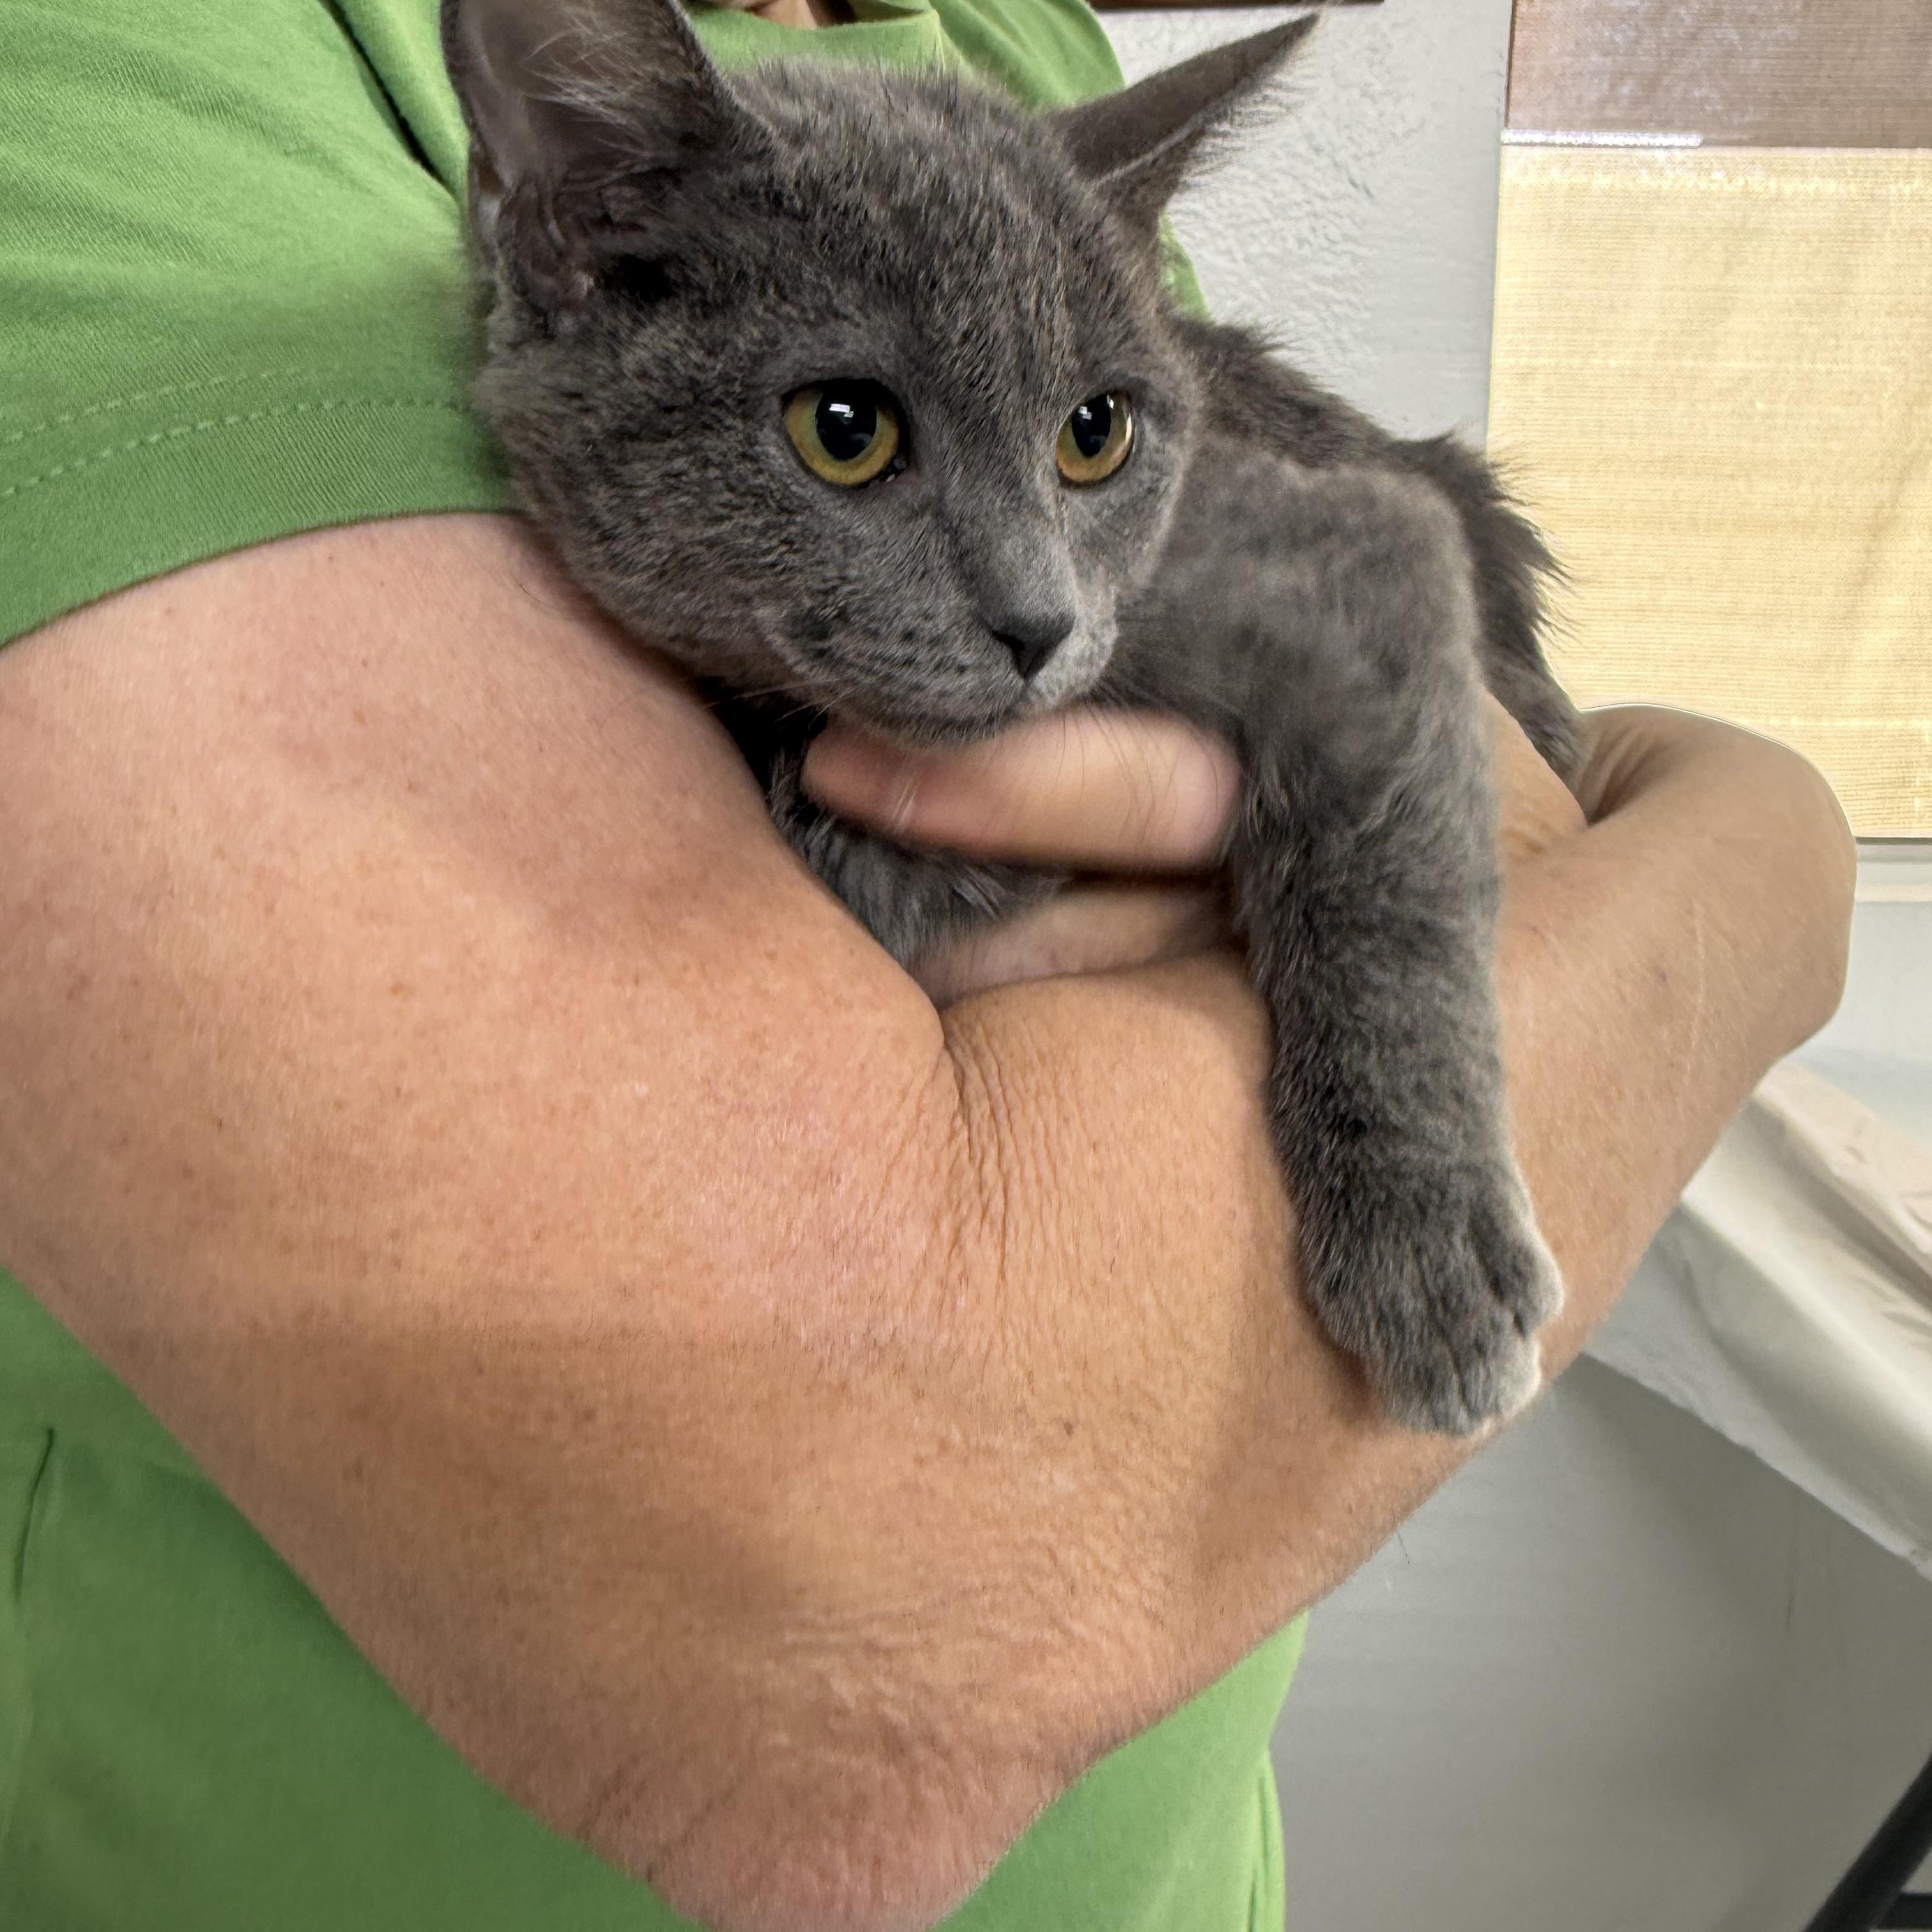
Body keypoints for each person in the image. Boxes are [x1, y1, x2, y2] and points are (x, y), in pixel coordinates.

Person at [0, 2, 1855, 1929]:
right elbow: (859, 1667)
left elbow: (1384, 594)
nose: (1035, 600)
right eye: (847, 430)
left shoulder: (1009, 50)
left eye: (1088, 439)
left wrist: (1714, 884)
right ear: (580, 247)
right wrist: (1696, 900)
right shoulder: (130, 74)